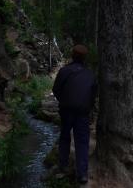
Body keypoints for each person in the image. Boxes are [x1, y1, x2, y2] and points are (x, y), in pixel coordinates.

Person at [52, 45, 97, 184]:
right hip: (83, 113)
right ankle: (82, 175)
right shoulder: (90, 74)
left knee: (65, 137)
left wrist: (64, 101)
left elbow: (55, 89)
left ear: (72, 55)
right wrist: (87, 106)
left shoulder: (65, 71)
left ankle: (63, 166)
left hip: (66, 111)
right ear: (84, 58)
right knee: (82, 142)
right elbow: (94, 94)